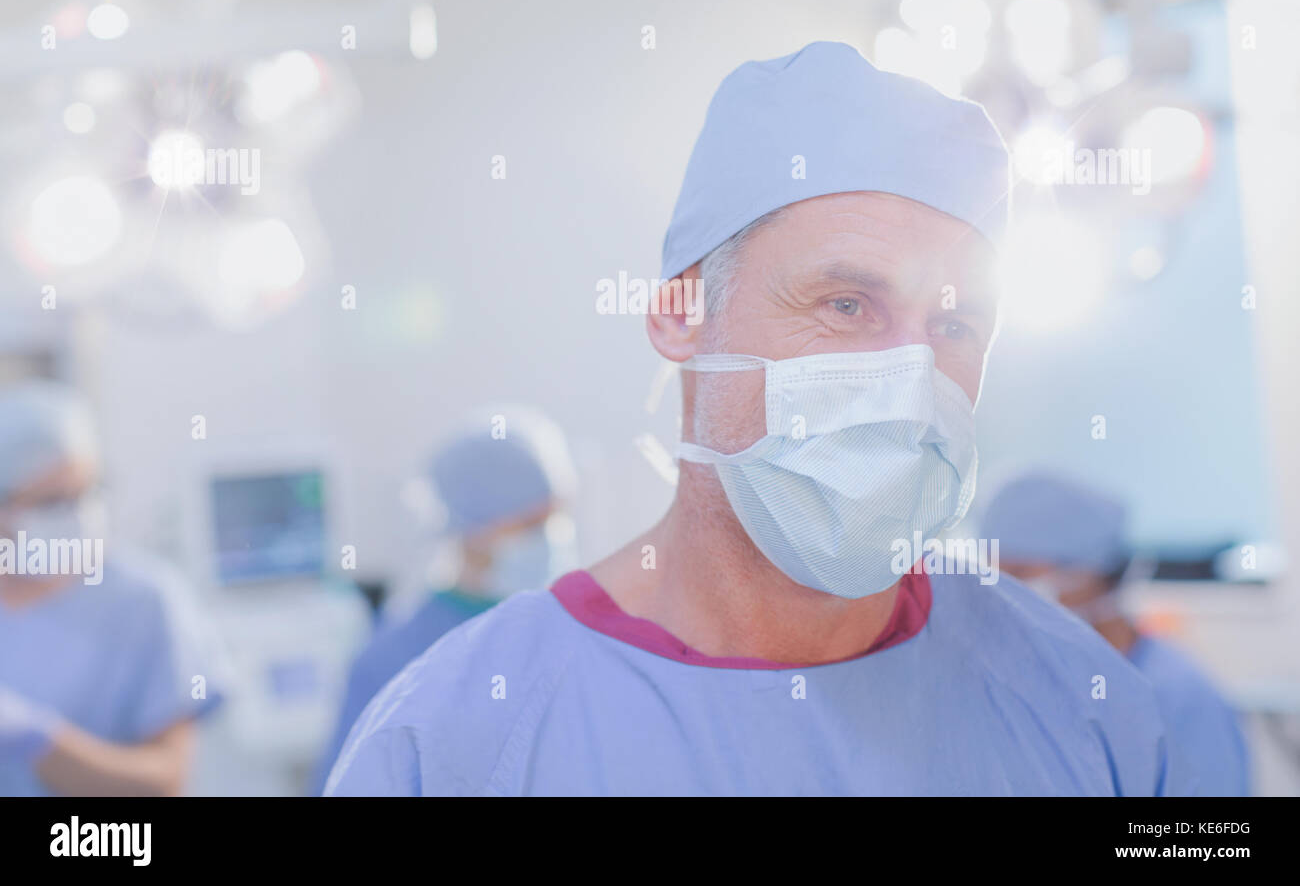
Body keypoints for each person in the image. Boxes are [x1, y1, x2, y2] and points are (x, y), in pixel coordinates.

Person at [327, 41, 1190, 795]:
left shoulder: (1080, 705)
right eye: (846, 304)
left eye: (955, 324)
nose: (908, 376)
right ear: (681, 312)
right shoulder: (458, 744)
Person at [313, 408, 575, 792]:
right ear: (474, 528)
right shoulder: (394, 662)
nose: (551, 537)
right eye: (531, 524)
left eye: (558, 519)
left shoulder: (577, 634)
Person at [0, 379, 227, 796]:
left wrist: (39, 738)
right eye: (53, 502)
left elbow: (166, 781)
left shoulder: (144, 600)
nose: (79, 515)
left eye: (89, 492)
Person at [982, 469, 1251, 796]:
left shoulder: (1176, 696)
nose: (1005, 591)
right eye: (992, 571)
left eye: (1020, 572)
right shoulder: (1024, 683)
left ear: (1091, 571)